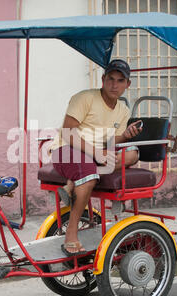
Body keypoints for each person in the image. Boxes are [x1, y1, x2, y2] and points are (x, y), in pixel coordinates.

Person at [50, 59, 142, 256]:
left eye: (120, 80)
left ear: (128, 84)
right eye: (110, 79)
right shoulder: (84, 98)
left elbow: (109, 138)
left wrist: (125, 136)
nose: (114, 85)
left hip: (95, 153)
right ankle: (71, 235)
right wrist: (98, 154)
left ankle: (71, 183)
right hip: (67, 149)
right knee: (88, 173)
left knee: (133, 153)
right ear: (103, 79)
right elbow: (67, 132)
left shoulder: (123, 110)